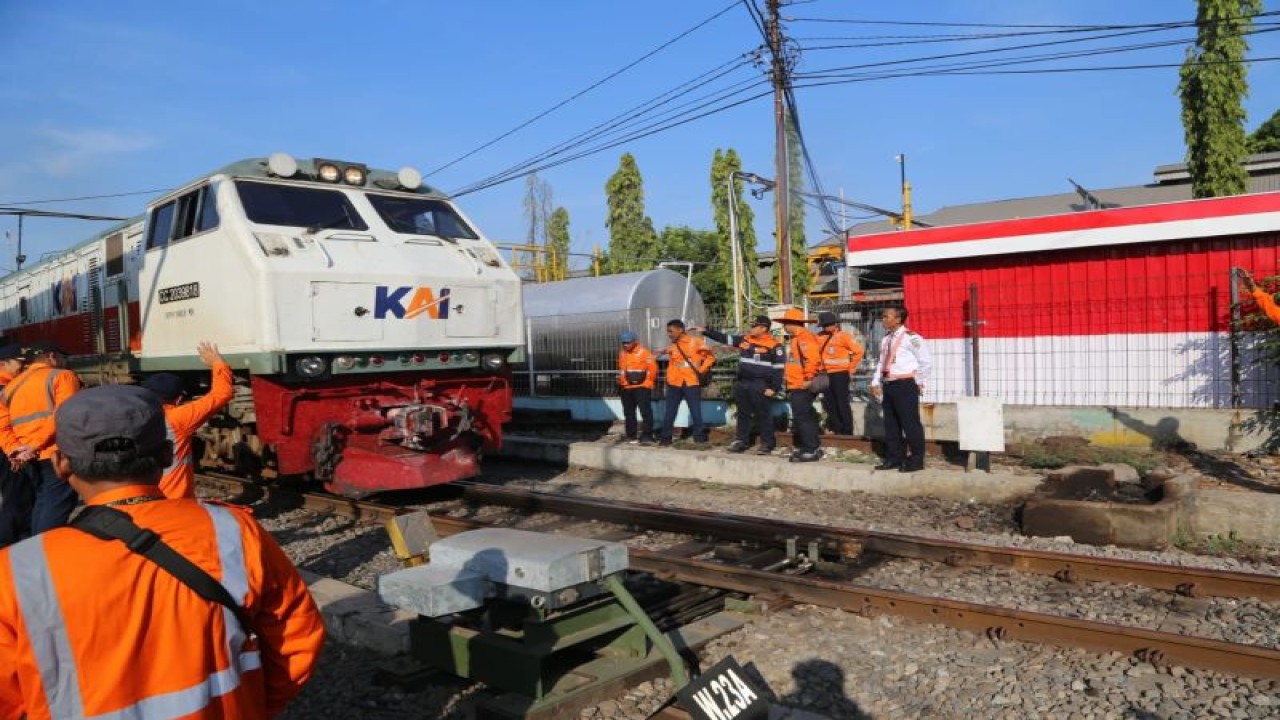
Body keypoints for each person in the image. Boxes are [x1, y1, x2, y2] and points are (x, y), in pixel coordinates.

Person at [0, 385, 325, 718]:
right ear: (168, 455)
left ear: (60, 464)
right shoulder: (233, 531)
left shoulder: (15, 571)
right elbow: (297, 638)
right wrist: (253, 706)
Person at [0, 342, 81, 534]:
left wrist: (15, 449)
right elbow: (64, 414)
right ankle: (45, 547)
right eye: (63, 358)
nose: (65, 362)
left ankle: (34, 545)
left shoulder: (10, 387)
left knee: (41, 502)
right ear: (52, 356)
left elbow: (2, 424)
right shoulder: (62, 376)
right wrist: (34, 446)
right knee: (55, 503)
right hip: (55, 453)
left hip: (27, 457)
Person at [141, 341, 236, 498]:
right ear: (178, 400)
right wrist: (218, 363)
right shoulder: (178, 418)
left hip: (141, 498)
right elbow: (222, 394)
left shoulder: (131, 416)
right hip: (172, 500)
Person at [699, 315, 784, 455]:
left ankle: (767, 443)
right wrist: (706, 331)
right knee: (743, 414)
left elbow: (779, 368)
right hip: (743, 383)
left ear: (764, 328)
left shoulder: (775, 345)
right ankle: (741, 441)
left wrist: (774, 388)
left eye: (755, 326)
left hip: (760, 384)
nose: (752, 328)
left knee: (763, 415)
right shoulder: (746, 340)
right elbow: (726, 338)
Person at [870, 306, 932, 473]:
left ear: (898, 319)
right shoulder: (885, 339)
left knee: (910, 424)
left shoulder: (912, 338)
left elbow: (925, 362)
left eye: (886, 316)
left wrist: (917, 381)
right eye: (882, 316)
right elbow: (881, 362)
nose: (883, 319)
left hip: (905, 384)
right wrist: (875, 381)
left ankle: (916, 460)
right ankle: (894, 458)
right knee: (891, 424)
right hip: (888, 384)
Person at [656, 319, 715, 446]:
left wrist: (701, 370)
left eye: (671, 331)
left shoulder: (696, 342)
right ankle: (665, 438)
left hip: (691, 381)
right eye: (668, 331)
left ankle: (699, 437)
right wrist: (662, 352)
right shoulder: (673, 345)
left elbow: (710, 357)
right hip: (674, 382)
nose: (669, 334)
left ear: (680, 330)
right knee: (670, 411)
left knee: (695, 410)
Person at [777, 308, 824, 463]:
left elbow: (812, 359)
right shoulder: (798, 338)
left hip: (801, 384)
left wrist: (808, 378)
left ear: (792, 324)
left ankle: (810, 449)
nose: (784, 327)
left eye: (785, 323)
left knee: (802, 417)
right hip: (797, 383)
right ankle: (812, 447)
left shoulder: (804, 338)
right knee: (805, 416)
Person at [816, 311, 865, 436]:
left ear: (835, 324)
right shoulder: (819, 336)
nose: (826, 327)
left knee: (842, 402)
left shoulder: (844, 336)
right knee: (829, 402)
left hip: (840, 374)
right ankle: (837, 429)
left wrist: (851, 367)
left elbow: (858, 351)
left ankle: (847, 431)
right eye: (824, 325)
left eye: (828, 325)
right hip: (825, 374)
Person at [616, 330, 658, 445]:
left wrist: (648, 383)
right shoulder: (622, 353)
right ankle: (631, 436)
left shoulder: (644, 352)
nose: (625, 345)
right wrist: (622, 382)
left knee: (645, 412)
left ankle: (647, 436)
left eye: (628, 342)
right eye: (624, 343)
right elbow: (622, 370)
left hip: (642, 387)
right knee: (629, 413)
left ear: (635, 341)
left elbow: (652, 369)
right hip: (626, 387)